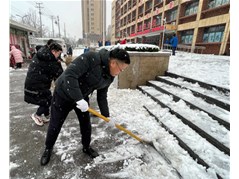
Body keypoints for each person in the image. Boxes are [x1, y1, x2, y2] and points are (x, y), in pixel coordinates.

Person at [40, 48, 131, 166]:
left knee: (86, 124)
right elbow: (70, 75)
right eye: (121, 69)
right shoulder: (91, 58)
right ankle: (48, 148)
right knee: (55, 123)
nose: (120, 72)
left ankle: (86, 147)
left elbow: (102, 96)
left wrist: (106, 115)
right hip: (63, 94)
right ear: (113, 63)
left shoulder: (109, 76)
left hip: (82, 96)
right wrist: (78, 99)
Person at [24, 42, 64, 126]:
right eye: (59, 54)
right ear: (53, 51)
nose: (59, 56)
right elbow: (59, 75)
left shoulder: (42, 54)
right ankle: (37, 115)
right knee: (48, 100)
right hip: (37, 85)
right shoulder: (51, 60)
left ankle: (45, 115)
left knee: (47, 98)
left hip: (33, 83)